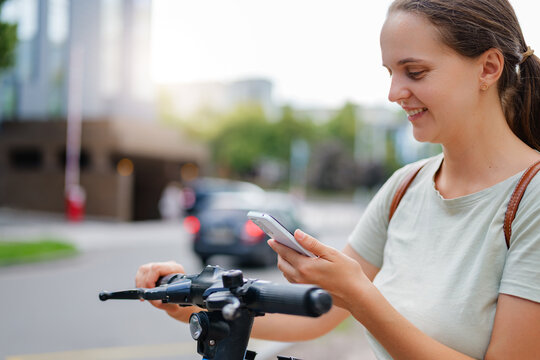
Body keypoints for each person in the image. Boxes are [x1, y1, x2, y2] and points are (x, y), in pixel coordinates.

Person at [136, 0, 540, 358]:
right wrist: (190, 302)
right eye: (390, 72)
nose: (394, 92)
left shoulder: (532, 197)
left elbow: (355, 301)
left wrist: (361, 297)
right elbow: (321, 313)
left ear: (488, 68)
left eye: (414, 72)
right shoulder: (404, 187)